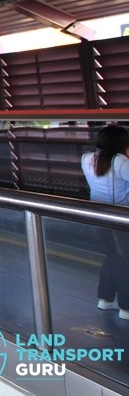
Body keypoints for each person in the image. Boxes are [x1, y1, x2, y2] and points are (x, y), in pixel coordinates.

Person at [81, 124, 129, 319]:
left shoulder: (86, 158)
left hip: (99, 217)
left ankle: (106, 299)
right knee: (125, 261)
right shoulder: (119, 161)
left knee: (112, 257)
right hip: (121, 218)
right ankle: (126, 307)